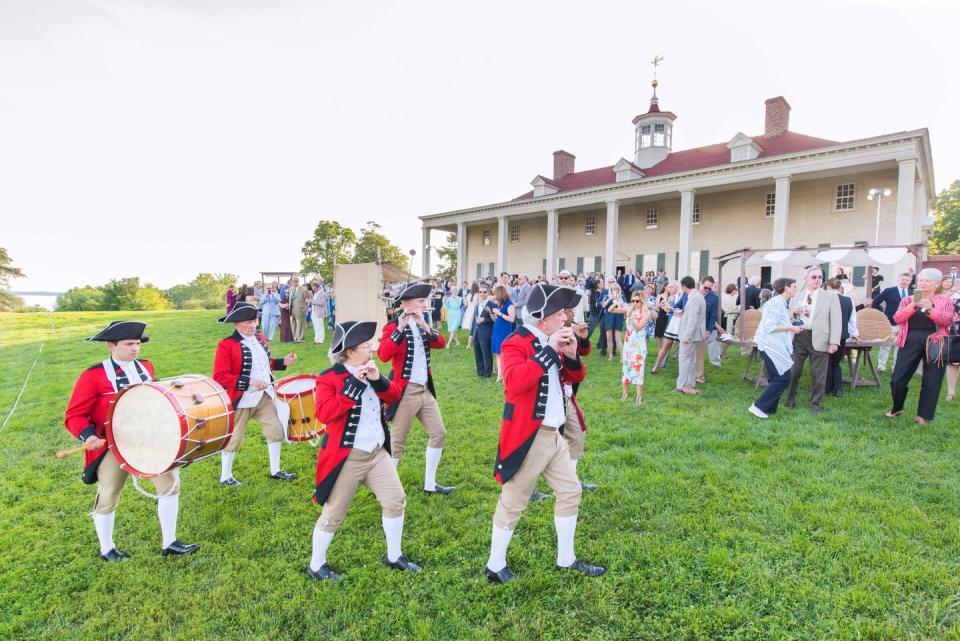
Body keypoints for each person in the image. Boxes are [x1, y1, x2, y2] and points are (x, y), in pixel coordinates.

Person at [484, 284, 604, 584]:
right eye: (559, 313)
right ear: (542, 319)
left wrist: (573, 354)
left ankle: (566, 559)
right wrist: (549, 350)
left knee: (571, 491)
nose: (565, 318)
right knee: (513, 501)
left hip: (554, 434)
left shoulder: (554, 337)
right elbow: (513, 383)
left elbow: (575, 376)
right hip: (529, 436)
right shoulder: (516, 342)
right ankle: (494, 565)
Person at [63, 321, 198, 560]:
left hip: (148, 440)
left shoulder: (146, 367)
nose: (136, 348)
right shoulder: (93, 375)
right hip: (112, 444)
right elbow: (74, 415)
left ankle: (170, 542)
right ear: (111, 346)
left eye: (137, 343)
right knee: (109, 493)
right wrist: (88, 435)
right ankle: (107, 549)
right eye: (129, 344)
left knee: (170, 485)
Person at [307, 321, 419, 581]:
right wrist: (354, 386)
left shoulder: (371, 369)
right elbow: (325, 414)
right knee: (334, 512)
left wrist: (377, 378)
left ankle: (394, 556)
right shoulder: (328, 377)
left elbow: (393, 397)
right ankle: (315, 565)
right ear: (348, 351)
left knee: (395, 500)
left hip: (377, 452)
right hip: (348, 456)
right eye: (366, 346)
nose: (372, 349)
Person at [377, 283, 455, 494]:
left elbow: (440, 343)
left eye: (424, 300)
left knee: (439, 433)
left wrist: (425, 326)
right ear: (406, 303)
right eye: (421, 301)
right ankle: (387, 488)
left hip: (425, 389)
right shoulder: (392, 327)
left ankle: (430, 484)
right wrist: (401, 328)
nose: (424, 304)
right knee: (397, 441)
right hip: (405, 392)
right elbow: (383, 355)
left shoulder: (423, 324)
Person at [213, 302, 298, 486]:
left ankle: (275, 470)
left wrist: (284, 362)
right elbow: (220, 376)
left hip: (265, 396)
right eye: (247, 322)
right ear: (236, 324)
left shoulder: (260, 338)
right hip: (242, 399)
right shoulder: (226, 345)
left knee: (275, 430)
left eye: (254, 321)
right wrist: (249, 381)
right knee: (234, 437)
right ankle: (225, 476)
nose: (252, 325)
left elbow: (265, 363)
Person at [884, 268, 953, 425]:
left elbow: (947, 321)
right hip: (910, 340)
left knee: (932, 380)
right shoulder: (908, 300)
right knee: (897, 379)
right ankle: (897, 407)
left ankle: (924, 416)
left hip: (936, 342)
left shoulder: (945, 301)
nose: (922, 283)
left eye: (927, 281)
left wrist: (930, 309)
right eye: (920, 280)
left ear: (936, 284)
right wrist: (913, 306)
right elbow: (897, 318)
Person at [785, 266, 841, 413]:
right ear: (806, 279)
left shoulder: (831, 297)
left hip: (820, 338)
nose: (817, 280)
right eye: (814, 277)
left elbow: (836, 321)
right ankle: (789, 400)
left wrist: (834, 342)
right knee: (793, 371)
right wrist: (794, 314)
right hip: (798, 337)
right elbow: (787, 317)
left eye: (820, 277)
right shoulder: (796, 296)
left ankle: (815, 403)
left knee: (818, 374)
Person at [748, 279, 804, 418]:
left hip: (773, 345)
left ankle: (770, 409)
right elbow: (770, 327)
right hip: (770, 345)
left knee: (775, 378)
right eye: (794, 286)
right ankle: (759, 407)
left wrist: (793, 318)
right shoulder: (776, 303)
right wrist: (791, 328)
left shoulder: (779, 302)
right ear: (786, 288)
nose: (796, 289)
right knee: (783, 378)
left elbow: (778, 321)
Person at [873, 272, 914, 373]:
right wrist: (882, 314)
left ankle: (895, 368)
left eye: (907, 280)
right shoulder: (889, 291)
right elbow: (875, 302)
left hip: (905, 324)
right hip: (890, 322)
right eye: (903, 279)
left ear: (910, 281)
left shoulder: (912, 293)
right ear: (899, 279)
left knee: (899, 347)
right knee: (886, 345)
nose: (904, 282)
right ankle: (881, 367)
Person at [825, 278, 859, 397]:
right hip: (842, 335)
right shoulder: (848, 300)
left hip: (826, 334)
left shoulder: (825, 299)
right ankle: (838, 390)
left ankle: (827, 388)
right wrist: (854, 334)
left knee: (826, 361)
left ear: (828, 286)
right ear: (839, 288)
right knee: (836, 362)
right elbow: (852, 321)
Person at [675, 276, 705, 395]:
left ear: (683, 286)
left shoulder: (694, 298)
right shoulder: (697, 296)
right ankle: (690, 384)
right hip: (693, 333)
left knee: (684, 359)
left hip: (689, 334)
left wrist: (687, 336)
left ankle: (682, 385)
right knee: (690, 360)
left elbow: (693, 319)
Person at [622, 290, 651, 405]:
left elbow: (638, 327)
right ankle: (625, 393)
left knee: (638, 369)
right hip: (628, 343)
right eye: (632, 300)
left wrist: (630, 317)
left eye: (637, 301)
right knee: (626, 368)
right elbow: (610, 310)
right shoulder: (630, 310)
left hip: (639, 345)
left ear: (642, 301)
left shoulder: (646, 313)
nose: (634, 303)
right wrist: (615, 302)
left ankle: (639, 396)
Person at [652, 282, 683, 374]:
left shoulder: (682, 295)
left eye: (671, 286)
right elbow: (667, 310)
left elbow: (684, 308)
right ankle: (655, 367)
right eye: (668, 287)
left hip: (682, 322)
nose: (669, 288)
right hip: (674, 322)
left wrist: (673, 309)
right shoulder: (671, 297)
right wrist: (665, 305)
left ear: (677, 287)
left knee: (683, 347)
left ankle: (683, 371)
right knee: (666, 345)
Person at [696, 276, 721, 385]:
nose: (707, 290)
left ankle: (699, 377)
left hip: (702, 329)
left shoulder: (714, 298)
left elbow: (712, 316)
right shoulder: (692, 294)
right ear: (700, 284)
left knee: (700, 353)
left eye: (709, 289)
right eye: (705, 287)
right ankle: (687, 375)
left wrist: (709, 331)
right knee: (688, 353)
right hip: (689, 327)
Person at [490, 284, 516, 382]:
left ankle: (504, 375)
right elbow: (499, 317)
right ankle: (500, 375)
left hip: (504, 331)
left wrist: (499, 313)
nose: (494, 296)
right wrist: (494, 314)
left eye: (496, 294)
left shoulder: (509, 304)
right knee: (498, 353)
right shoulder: (500, 304)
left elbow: (512, 319)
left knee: (503, 353)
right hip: (497, 330)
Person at [472, 285, 496, 378]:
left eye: (484, 292)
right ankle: (480, 372)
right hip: (476, 333)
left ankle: (488, 373)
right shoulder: (477, 305)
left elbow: (495, 320)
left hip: (487, 333)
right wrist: (471, 334)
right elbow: (474, 321)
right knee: (477, 353)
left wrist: (484, 320)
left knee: (486, 353)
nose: (482, 293)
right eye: (480, 292)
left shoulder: (492, 305)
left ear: (489, 293)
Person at [602, 283, 626, 360]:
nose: (615, 291)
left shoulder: (621, 297)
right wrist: (610, 298)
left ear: (619, 290)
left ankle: (623, 356)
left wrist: (619, 302)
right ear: (611, 290)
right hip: (609, 318)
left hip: (618, 317)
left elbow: (625, 308)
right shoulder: (608, 297)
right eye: (613, 289)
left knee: (618, 338)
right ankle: (611, 355)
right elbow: (603, 306)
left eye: (617, 289)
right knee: (609, 337)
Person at [288, 276, 309, 343]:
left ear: (299, 281)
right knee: (293, 324)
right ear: (291, 282)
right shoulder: (291, 289)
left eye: (296, 281)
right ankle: (295, 338)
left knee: (300, 324)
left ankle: (300, 338)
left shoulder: (303, 289)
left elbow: (308, 299)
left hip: (300, 309)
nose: (295, 282)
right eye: (293, 281)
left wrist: (305, 307)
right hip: (292, 309)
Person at [311, 280, 329, 344]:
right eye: (312, 288)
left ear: (317, 287)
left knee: (320, 326)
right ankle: (316, 339)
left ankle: (321, 340)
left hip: (319, 312)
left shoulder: (322, 293)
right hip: (313, 312)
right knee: (315, 327)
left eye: (314, 288)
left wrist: (313, 302)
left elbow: (322, 303)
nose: (313, 289)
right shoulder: (315, 293)